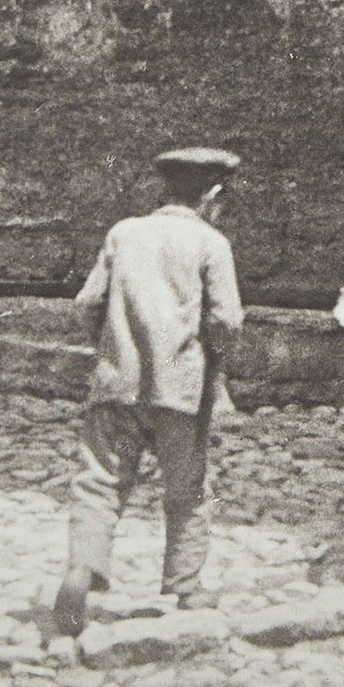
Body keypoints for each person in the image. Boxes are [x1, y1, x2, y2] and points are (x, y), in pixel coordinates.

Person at [53, 146, 244, 637]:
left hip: (116, 387)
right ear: (213, 195)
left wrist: (109, 346)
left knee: (99, 481)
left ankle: (81, 569)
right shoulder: (211, 243)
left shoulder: (125, 233)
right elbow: (227, 320)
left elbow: (89, 301)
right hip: (179, 393)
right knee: (187, 489)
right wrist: (214, 364)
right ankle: (184, 583)